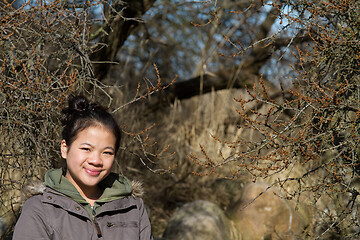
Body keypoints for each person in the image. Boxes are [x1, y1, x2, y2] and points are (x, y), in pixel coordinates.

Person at [13, 95, 153, 240]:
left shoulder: (133, 208)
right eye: (86, 149)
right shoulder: (40, 209)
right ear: (65, 149)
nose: (96, 160)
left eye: (107, 152)